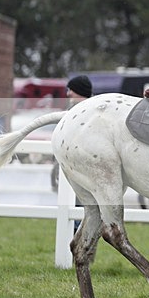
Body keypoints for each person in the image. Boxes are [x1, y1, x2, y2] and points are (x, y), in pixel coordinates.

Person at [51, 75, 93, 232]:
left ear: (78, 91)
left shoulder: (79, 112)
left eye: (71, 90)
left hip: (81, 166)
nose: (68, 94)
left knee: (79, 203)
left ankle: (77, 233)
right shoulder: (79, 110)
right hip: (76, 165)